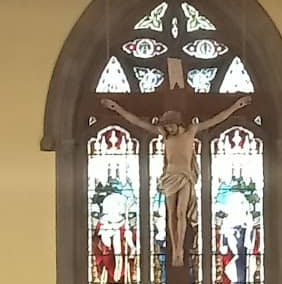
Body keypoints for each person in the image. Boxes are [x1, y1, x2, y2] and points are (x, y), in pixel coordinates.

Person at [100, 94, 252, 267]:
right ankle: (175, 248)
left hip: (185, 176)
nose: (168, 129)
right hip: (169, 177)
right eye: (166, 126)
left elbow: (217, 120)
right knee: (171, 214)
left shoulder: (190, 132)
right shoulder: (165, 136)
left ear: (177, 123)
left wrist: (236, 106)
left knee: (181, 213)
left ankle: (180, 249)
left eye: (170, 125)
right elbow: (137, 122)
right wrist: (116, 108)